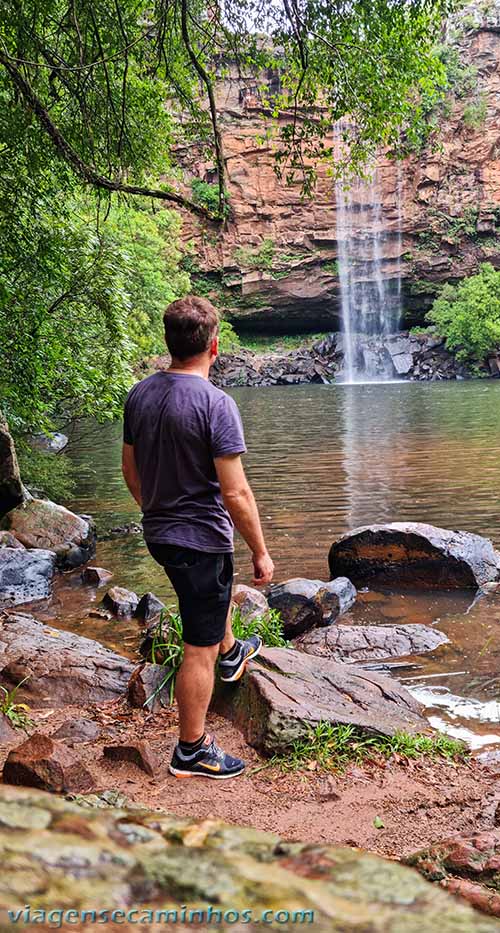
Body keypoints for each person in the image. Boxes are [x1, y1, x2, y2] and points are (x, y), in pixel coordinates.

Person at [121, 295, 274, 779]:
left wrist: (155, 510)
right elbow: (237, 494)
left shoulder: (140, 394)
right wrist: (261, 551)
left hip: (160, 532)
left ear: (169, 342)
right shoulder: (215, 404)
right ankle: (192, 748)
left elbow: (130, 469)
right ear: (214, 345)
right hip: (201, 538)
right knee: (196, 647)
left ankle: (230, 652)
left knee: (206, 600)